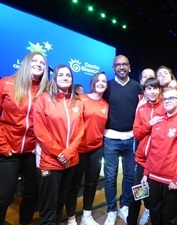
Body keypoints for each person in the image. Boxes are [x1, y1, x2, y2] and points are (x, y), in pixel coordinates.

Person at [0, 51, 49, 225]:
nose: (38, 64)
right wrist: (3, 146)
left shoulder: (45, 92)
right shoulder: (6, 84)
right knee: (4, 196)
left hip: (32, 151)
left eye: (42, 63)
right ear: (26, 63)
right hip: (8, 151)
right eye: (35, 61)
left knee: (30, 194)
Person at [33, 64, 85, 224]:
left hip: (70, 161)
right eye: (61, 75)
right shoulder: (43, 99)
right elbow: (40, 131)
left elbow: (81, 130)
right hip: (49, 161)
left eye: (68, 75)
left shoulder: (77, 102)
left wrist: (68, 153)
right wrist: (59, 153)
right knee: (48, 206)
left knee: (60, 203)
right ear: (54, 78)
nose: (65, 78)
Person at [141, 88, 177, 225]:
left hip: (170, 180)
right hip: (152, 177)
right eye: (165, 99)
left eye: (171, 98)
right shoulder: (157, 122)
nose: (167, 101)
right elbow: (152, 150)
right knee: (154, 212)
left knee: (169, 216)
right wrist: (146, 172)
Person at [66, 72, 109, 225]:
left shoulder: (105, 104)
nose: (101, 83)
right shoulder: (81, 99)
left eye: (104, 81)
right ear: (93, 82)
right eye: (98, 80)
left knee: (91, 184)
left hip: (96, 149)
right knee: (75, 185)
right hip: (79, 150)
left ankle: (86, 216)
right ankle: (71, 218)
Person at [103, 55, 141, 225]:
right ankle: (111, 209)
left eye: (124, 64)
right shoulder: (107, 87)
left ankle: (124, 205)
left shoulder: (137, 87)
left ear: (129, 67)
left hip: (131, 138)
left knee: (130, 175)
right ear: (113, 68)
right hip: (111, 138)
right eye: (118, 65)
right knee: (110, 177)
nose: (121, 67)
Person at [127, 77, 164, 225]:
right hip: (142, 161)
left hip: (158, 162)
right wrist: (149, 124)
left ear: (160, 90)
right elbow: (137, 133)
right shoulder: (141, 109)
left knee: (154, 199)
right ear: (145, 91)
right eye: (149, 88)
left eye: (155, 88)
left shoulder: (165, 106)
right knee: (136, 195)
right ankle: (131, 222)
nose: (152, 91)